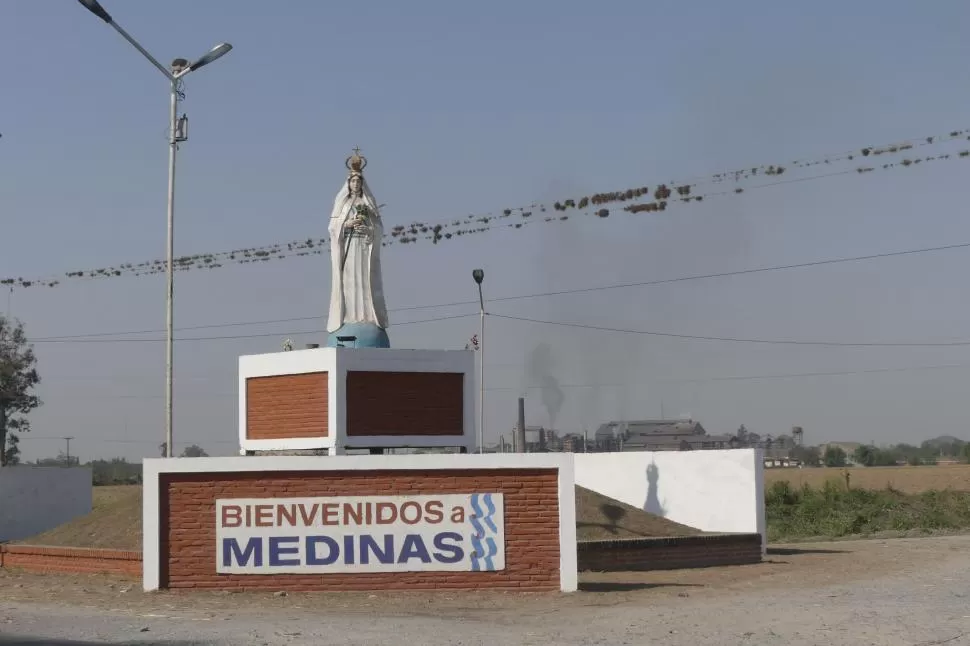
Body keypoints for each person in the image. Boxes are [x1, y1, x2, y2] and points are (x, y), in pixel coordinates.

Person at [326, 149, 389, 346]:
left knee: (365, 281)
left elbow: (378, 228)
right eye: (353, 181)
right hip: (349, 247)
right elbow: (333, 227)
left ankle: (367, 316)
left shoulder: (367, 204)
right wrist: (347, 224)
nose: (356, 184)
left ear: (362, 184)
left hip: (363, 248)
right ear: (348, 184)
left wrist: (367, 228)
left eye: (358, 182)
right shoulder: (343, 204)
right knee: (349, 282)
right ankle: (349, 317)